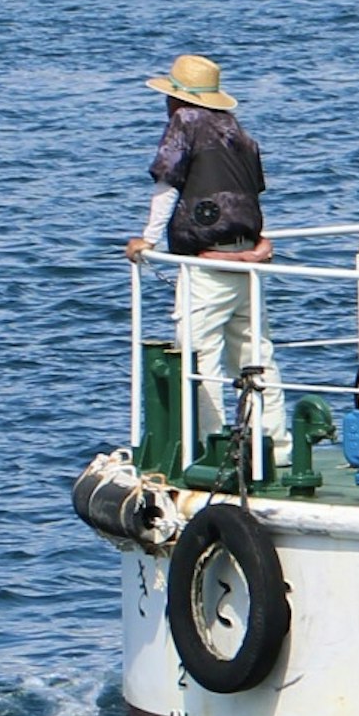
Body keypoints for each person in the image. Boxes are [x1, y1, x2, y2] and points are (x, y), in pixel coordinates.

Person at [129, 53, 275, 463]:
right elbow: (252, 195)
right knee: (256, 354)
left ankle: (209, 448)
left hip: (207, 265)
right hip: (247, 257)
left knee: (200, 356)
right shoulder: (238, 132)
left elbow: (166, 186)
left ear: (177, 100)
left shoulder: (185, 124)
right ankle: (275, 445)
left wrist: (148, 240)